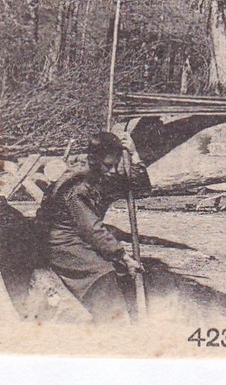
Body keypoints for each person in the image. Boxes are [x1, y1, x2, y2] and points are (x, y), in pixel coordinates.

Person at [36, 129, 150, 324]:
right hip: (60, 242)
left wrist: (134, 153)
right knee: (103, 274)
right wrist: (121, 254)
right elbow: (92, 228)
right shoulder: (77, 185)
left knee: (121, 271)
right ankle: (113, 322)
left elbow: (142, 189)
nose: (114, 171)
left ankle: (124, 318)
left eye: (116, 165)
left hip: (81, 237)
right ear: (94, 161)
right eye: (108, 165)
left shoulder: (102, 175)